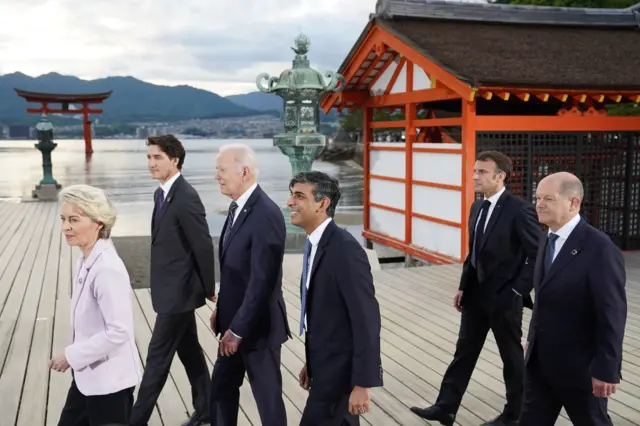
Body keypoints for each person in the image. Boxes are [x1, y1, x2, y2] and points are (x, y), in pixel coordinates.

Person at [410, 150, 540, 426]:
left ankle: (515, 416)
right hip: (475, 295)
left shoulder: (520, 210)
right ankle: (445, 408)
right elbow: (474, 253)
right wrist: (462, 287)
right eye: (475, 170)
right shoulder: (476, 207)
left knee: (511, 358)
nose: (475, 176)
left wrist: (517, 290)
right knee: (463, 353)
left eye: (482, 172)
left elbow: (537, 254)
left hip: (506, 298)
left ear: (500, 176)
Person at [519, 172, 627, 426]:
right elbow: (545, 295)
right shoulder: (547, 236)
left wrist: (606, 369)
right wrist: (533, 339)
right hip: (541, 362)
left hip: (582, 370)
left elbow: (612, 313)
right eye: (537, 198)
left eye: (549, 198)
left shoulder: (599, 248)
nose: (539, 204)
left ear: (573, 203)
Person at [130, 135, 215, 426]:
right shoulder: (161, 193)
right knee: (190, 351)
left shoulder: (186, 196)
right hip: (169, 290)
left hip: (180, 294)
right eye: (149, 157)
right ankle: (206, 409)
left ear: (174, 160)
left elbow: (202, 245)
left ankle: (135, 420)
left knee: (157, 359)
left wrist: (208, 288)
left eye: (157, 158)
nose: (151, 163)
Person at [288, 170, 383, 426]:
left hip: (341, 376)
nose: (290, 202)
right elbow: (325, 314)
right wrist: (313, 363)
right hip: (325, 370)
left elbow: (367, 319)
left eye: (299, 196)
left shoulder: (344, 249)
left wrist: (363, 383)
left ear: (323, 203)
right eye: (291, 195)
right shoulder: (315, 244)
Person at [208, 143, 290, 426]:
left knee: (268, 404)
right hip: (233, 324)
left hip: (257, 330)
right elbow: (234, 273)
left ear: (244, 171)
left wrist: (238, 330)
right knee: (219, 393)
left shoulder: (265, 214)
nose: (216, 175)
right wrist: (221, 310)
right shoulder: (237, 208)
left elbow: (261, 282)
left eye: (221, 170)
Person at [52, 184, 140, 426]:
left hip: (110, 384)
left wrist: (70, 355)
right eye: (63, 219)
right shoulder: (85, 258)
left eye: (74, 220)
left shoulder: (107, 269)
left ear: (99, 222)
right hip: (87, 378)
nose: (65, 227)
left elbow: (119, 331)